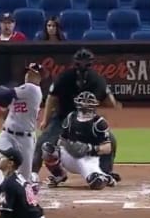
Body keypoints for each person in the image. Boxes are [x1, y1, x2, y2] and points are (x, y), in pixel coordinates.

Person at [31, 48, 123, 183]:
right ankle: (33, 173)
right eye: (80, 63)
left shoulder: (96, 79)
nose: (83, 67)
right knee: (44, 141)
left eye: (86, 63)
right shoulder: (65, 77)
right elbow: (52, 98)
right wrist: (46, 120)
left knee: (110, 141)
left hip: (87, 119)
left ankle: (105, 172)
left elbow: (109, 99)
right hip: (63, 117)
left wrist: (112, 103)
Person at [0, 62, 45, 201]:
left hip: (26, 139)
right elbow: (4, 115)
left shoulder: (32, 90)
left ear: (39, 76)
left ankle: (31, 183)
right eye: (27, 72)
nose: (28, 75)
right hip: (7, 134)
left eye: (32, 73)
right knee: (1, 162)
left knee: (24, 177)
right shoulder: (20, 93)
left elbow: (4, 93)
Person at [41, 91, 117, 189]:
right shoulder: (70, 118)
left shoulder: (98, 122)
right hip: (69, 156)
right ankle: (60, 175)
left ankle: (105, 177)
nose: (85, 105)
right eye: (83, 102)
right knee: (47, 150)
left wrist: (90, 148)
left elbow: (108, 148)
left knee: (96, 183)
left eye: (87, 102)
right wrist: (71, 147)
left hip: (87, 160)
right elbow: (61, 140)